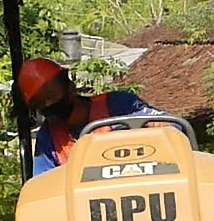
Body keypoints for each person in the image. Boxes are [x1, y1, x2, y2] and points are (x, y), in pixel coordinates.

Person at [17, 57, 168, 177]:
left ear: (70, 87)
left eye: (50, 95)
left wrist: (156, 125)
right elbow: (43, 184)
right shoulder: (48, 137)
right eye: (40, 102)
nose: (48, 104)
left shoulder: (119, 104)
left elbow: (170, 127)